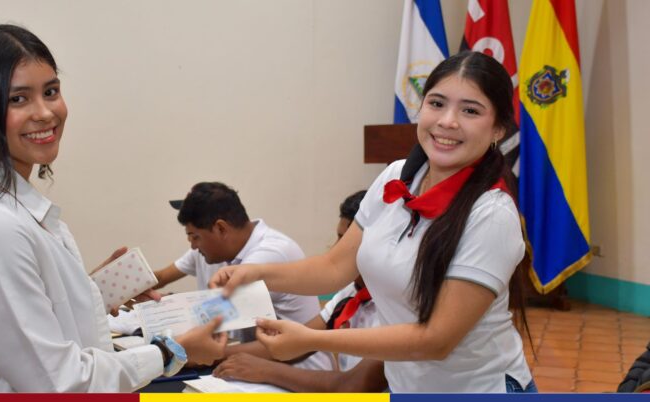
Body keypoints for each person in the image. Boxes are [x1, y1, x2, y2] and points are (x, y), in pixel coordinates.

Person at [0, 24, 226, 392]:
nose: (45, 113)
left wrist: (94, 291)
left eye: (51, 91)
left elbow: (38, 319)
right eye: (18, 99)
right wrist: (170, 353)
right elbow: (55, 382)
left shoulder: (15, 211)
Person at [210, 51, 536, 393]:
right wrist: (257, 274)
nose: (447, 121)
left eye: (470, 110)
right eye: (436, 103)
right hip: (407, 387)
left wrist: (311, 339)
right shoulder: (396, 176)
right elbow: (335, 267)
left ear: (498, 127)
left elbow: (436, 339)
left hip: (479, 391)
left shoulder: (492, 215)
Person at [213, 190, 388, 392]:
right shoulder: (352, 292)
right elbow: (300, 342)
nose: (335, 249)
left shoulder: (396, 305)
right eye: (338, 238)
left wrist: (267, 371)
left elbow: (354, 386)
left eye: (345, 241)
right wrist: (218, 353)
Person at [155, 182, 320, 328]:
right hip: (252, 354)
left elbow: (213, 318)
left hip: (294, 359)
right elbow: (161, 277)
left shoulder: (269, 253)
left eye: (195, 237)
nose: (192, 245)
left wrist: (162, 306)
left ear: (221, 229)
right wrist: (139, 290)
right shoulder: (215, 249)